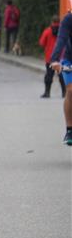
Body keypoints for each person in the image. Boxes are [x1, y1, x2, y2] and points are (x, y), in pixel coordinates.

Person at [49, 12, 72, 145]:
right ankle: (70, 130)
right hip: (70, 60)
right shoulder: (69, 19)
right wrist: (54, 60)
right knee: (71, 90)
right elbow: (61, 39)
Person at [39, 15, 63, 98]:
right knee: (62, 75)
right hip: (61, 57)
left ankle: (47, 92)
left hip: (50, 58)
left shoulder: (47, 31)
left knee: (49, 75)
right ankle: (64, 93)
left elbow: (41, 43)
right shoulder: (63, 31)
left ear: (52, 22)